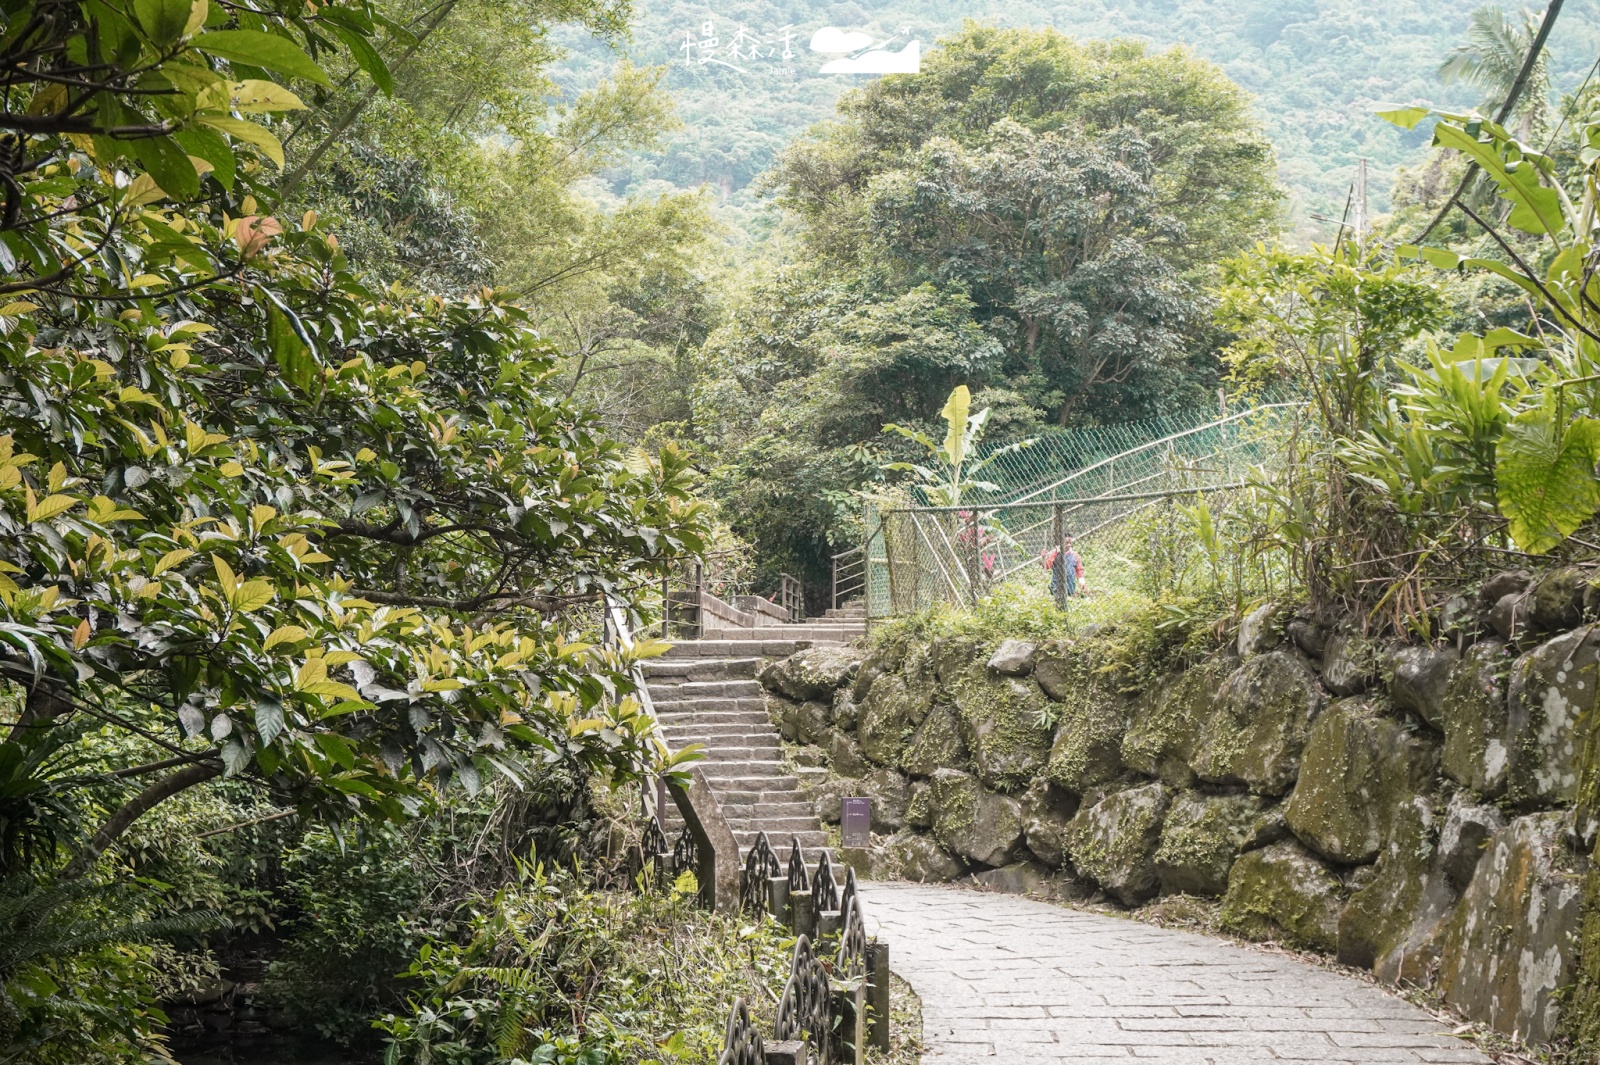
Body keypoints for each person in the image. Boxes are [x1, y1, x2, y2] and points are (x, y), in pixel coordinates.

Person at [1042, 534, 1084, 605]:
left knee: (1070, 603)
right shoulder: (1054, 554)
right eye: (1066, 543)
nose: (1069, 545)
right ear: (1060, 543)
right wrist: (1044, 558)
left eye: (1070, 543)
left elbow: (1079, 569)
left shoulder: (1074, 555)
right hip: (1056, 585)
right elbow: (1047, 566)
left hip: (1070, 586)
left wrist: (1081, 581)